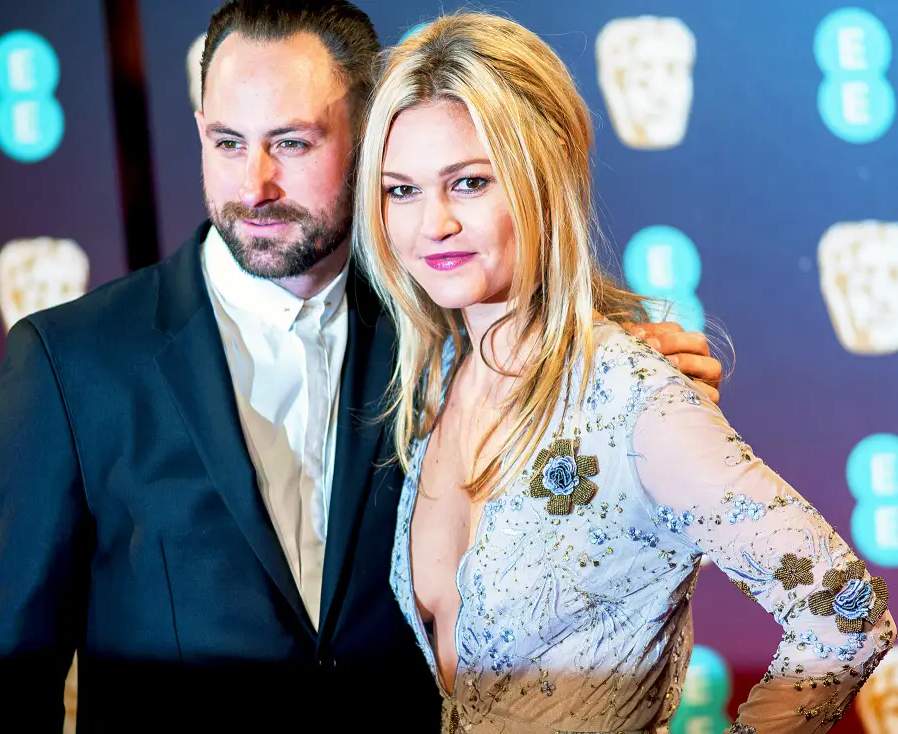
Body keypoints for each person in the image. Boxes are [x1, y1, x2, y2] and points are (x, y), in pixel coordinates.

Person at [0, 2, 724, 732]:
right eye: (227, 142)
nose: (254, 184)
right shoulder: (71, 362)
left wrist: (619, 383)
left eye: (291, 143)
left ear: (369, 137)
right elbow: (11, 685)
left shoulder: (448, 329)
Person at [353, 12, 893, 734]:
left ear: (545, 180)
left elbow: (843, 615)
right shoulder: (440, 376)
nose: (433, 224)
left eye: (471, 183)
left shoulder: (634, 398)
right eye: (402, 191)